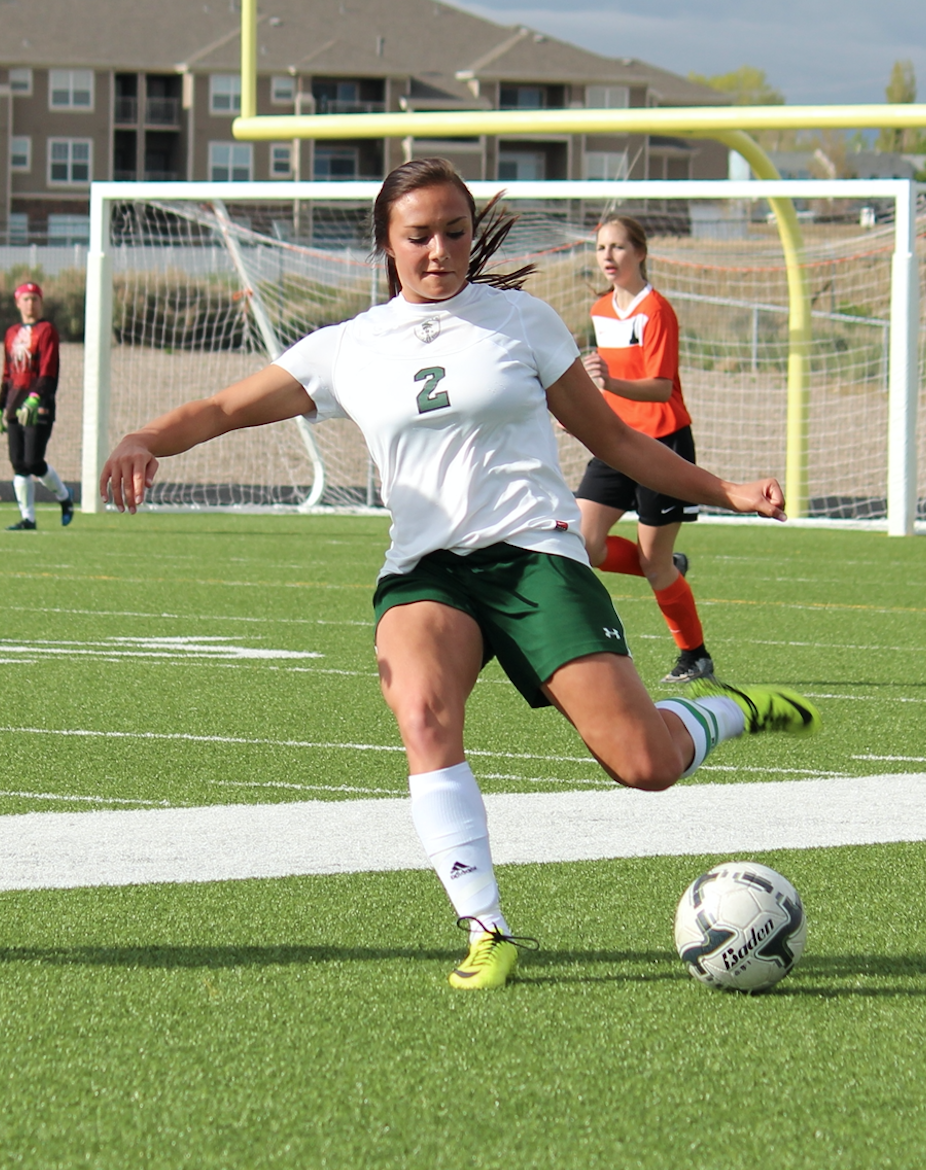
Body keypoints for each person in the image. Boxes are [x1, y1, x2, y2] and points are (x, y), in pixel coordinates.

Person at [101, 159, 820, 991]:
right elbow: (223, 408)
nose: (440, 250)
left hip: (534, 557)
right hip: (427, 571)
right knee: (421, 709)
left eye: (454, 231)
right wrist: (144, 439)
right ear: (385, 246)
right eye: (419, 236)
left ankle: (722, 712)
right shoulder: (349, 347)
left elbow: (617, 445)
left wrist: (725, 489)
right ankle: (487, 927)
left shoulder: (522, 321)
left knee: (645, 764)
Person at [576, 215, 710, 683]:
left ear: (640, 253)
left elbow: (659, 388)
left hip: (662, 444)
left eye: (618, 247)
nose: (608, 256)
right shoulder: (599, 310)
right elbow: (605, 383)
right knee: (582, 543)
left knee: (653, 566)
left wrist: (610, 381)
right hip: (614, 442)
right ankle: (668, 567)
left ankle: (695, 654)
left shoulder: (657, 311)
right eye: (601, 248)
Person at [1, 281, 73, 530]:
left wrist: (36, 397)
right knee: (18, 463)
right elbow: (8, 372)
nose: (30, 303)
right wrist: (2, 405)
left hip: (38, 402)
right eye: (26, 299)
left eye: (35, 299)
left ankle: (65, 497)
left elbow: (48, 369)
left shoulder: (46, 330)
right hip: (14, 401)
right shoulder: (11, 333)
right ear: (18, 302)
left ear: (41, 302)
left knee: (33, 461)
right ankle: (28, 519)